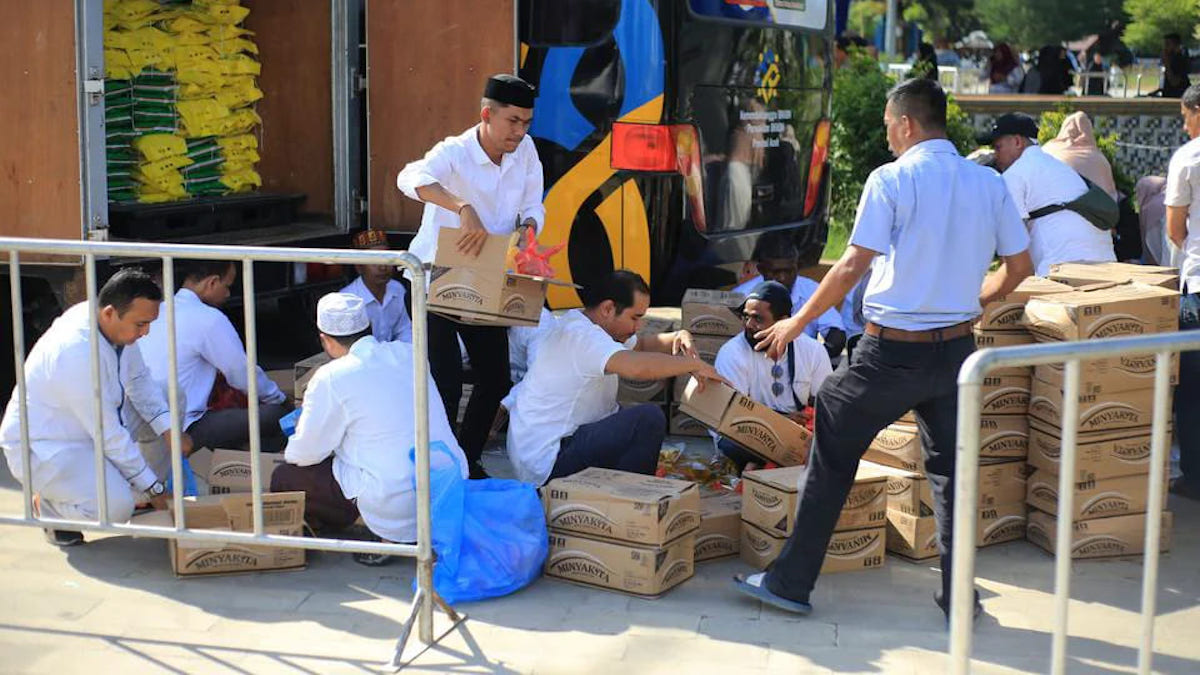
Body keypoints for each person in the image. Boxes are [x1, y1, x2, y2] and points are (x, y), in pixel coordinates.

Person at [731, 78, 1033, 621]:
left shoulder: (892, 178)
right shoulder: (989, 182)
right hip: (957, 353)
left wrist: (797, 321)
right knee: (952, 476)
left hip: (891, 352)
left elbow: (852, 264)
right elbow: (1019, 267)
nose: (888, 136)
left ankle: (791, 582)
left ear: (907, 124)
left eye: (890, 126)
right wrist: (974, 304)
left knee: (832, 443)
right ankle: (959, 599)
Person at [396, 74, 544, 479]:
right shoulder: (455, 151)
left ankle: (467, 460)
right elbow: (408, 178)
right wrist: (462, 207)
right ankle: (438, 469)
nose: (520, 131)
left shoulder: (526, 150)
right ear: (486, 115)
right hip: (434, 280)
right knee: (444, 382)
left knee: (495, 378)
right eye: (512, 121)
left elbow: (534, 203)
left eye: (526, 122)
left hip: (485, 278)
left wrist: (528, 229)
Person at [272, 293, 468, 565]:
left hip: (395, 498)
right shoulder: (409, 353)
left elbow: (303, 454)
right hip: (449, 485)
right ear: (370, 328)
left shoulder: (330, 376)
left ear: (324, 340)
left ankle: (375, 530)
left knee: (285, 476)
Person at [0, 269, 193, 546]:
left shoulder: (109, 322)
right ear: (110, 313)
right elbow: (109, 435)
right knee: (116, 509)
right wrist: (155, 489)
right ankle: (51, 509)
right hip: (48, 449)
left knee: (169, 395)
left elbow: (138, 381)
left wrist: (169, 430)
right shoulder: (75, 352)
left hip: (89, 428)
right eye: (141, 324)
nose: (146, 332)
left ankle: (138, 490)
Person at [507, 270, 725, 486]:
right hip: (549, 463)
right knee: (647, 419)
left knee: (624, 415)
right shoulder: (582, 336)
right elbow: (636, 368)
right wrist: (694, 364)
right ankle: (630, 498)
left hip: (553, 448)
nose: (638, 327)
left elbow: (641, 346)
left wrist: (678, 336)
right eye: (634, 317)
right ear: (608, 309)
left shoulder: (586, 323)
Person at [139, 259, 290, 453]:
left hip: (145, 424)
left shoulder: (160, 310)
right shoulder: (208, 318)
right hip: (184, 428)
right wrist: (280, 400)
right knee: (277, 415)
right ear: (212, 282)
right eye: (227, 287)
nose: (228, 294)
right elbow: (241, 374)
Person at [712, 281, 832, 473]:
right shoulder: (732, 353)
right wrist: (782, 421)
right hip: (747, 433)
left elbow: (825, 402)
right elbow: (733, 416)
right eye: (745, 317)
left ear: (783, 322)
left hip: (798, 435)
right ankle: (772, 466)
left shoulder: (813, 350)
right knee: (732, 443)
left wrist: (809, 421)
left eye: (757, 319)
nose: (749, 325)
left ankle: (763, 467)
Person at [982, 112, 1116, 275]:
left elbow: (1013, 247)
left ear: (1017, 142)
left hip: (1061, 269)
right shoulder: (1058, 166)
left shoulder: (1014, 175)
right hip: (1107, 265)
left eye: (998, 147)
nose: (995, 156)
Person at [1163, 84, 1200, 500]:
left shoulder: (1188, 157)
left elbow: (1175, 228)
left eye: (1185, 116)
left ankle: (1195, 477)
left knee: (1192, 388)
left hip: (1199, 285)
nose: (1184, 124)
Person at [733, 232, 847, 360]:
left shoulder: (812, 290)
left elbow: (837, 334)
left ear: (797, 267)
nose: (782, 278)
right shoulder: (742, 295)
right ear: (762, 270)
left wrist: (814, 359)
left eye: (789, 271)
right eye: (776, 272)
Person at [341, 229, 411, 343]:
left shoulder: (398, 289)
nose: (383, 267)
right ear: (359, 267)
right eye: (375, 261)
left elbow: (405, 330)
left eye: (387, 259)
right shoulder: (347, 300)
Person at [1042, 111, 1118, 200]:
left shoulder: (1047, 150)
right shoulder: (1099, 159)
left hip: (1048, 204)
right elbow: (1110, 197)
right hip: (1089, 207)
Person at [1159, 34, 1190, 98]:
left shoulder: (1180, 60)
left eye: (1167, 44)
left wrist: (1167, 64)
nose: (1165, 48)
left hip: (1178, 97)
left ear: (1176, 46)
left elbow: (1174, 82)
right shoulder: (1171, 60)